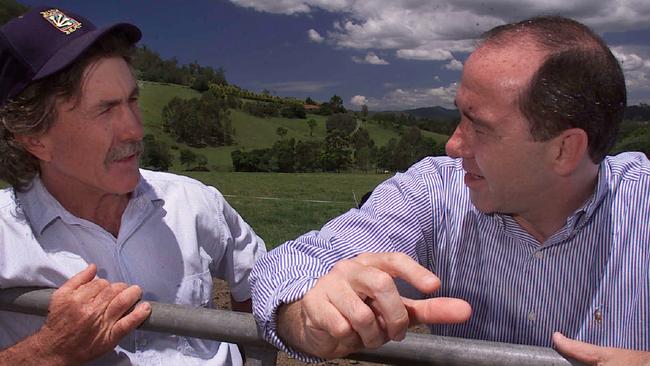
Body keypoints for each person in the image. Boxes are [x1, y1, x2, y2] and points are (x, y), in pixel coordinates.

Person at [250, 16, 650, 366]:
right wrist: (308, 312)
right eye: (459, 115)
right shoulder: (437, 190)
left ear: (564, 150)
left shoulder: (641, 204)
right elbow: (288, 266)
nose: (453, 145)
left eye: (479, 126)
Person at [0, 7, 265, 365]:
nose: (135, 130)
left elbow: (261, 286)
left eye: (132, 99)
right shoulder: (6, 238)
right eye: (105, 109)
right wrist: (48, 351)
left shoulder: (194, 202)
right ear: (34, 137)